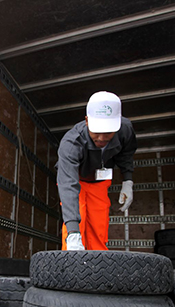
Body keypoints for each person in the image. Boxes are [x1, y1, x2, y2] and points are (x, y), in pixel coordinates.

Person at [57, 91, 137, 251]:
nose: (101, 138)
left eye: (108, 132)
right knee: (76, 226)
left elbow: (126, 154)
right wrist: (73, 232)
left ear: (117, 125)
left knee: (98, 228)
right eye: (97, 131)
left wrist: (128, 181)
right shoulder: (71, 143)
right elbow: (67, 185)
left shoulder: (126, 130)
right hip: (75, 181)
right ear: (87, 121)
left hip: (99, 181)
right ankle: (72, 264)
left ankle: (97, 268)